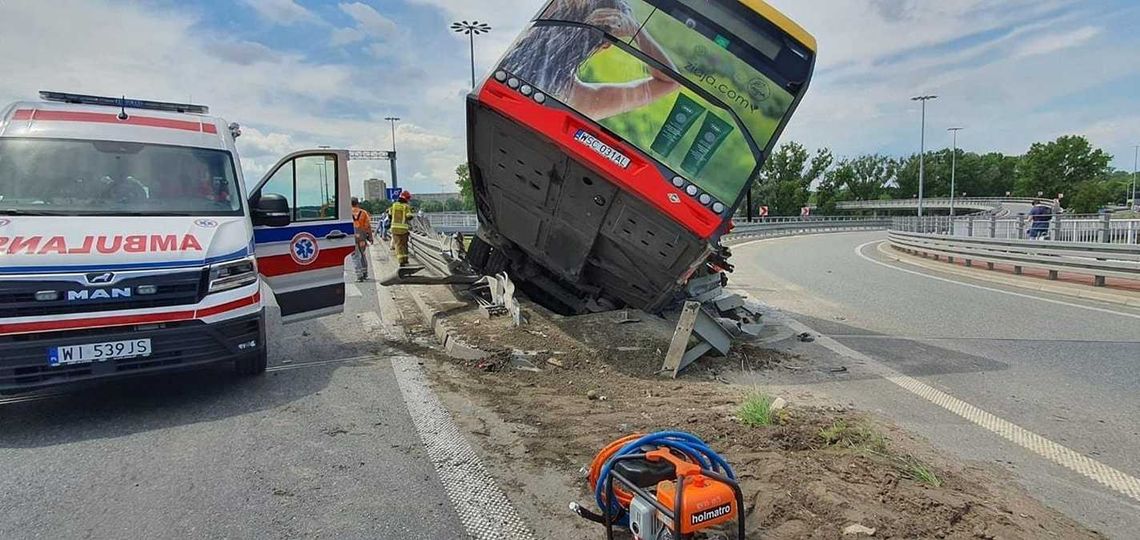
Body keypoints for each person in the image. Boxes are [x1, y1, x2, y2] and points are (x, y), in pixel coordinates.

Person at [500, 0, 679, 120]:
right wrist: (637, 31)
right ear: (604, 46)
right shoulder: (578, 99)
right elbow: (670, 81)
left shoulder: (504, 35)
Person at [350, 197, 373, 280]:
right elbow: (368, 226)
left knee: (355, 256)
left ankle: (359, 276)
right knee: (362, 254)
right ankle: (365, 273)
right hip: (362, 237)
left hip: (352, 237)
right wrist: (370, 237)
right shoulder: (363, 213)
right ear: (357, 203)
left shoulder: (347, 213)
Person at [389, 191, 412, 267]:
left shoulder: (394, 205)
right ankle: (405, 260)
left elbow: (389, 215)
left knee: (398, 245)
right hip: (403, 229)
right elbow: (409, 216)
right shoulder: (406, 206)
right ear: (406, 199)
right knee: (404, 244)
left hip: (394, 228)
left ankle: (400, 261)